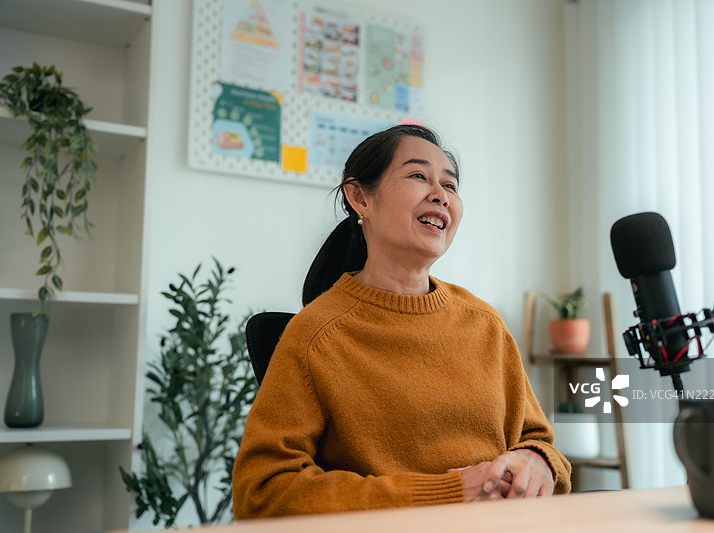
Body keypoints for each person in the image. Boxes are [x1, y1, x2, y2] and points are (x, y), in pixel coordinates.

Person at [232, 124, 571, 518]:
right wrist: (449, 491)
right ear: (359, 197)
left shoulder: (485, 324)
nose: (440, 195)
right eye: (417, 176)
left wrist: (537, 461)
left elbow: (539, 441)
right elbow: (262, 491)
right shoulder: (316, 336)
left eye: (451, 185)